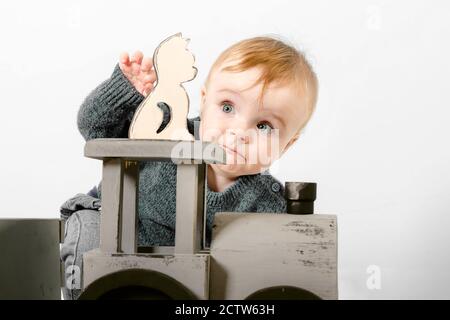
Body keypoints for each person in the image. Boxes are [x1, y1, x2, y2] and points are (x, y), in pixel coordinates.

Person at [60, 35, 318, 300]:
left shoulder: (266, 204)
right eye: (227, 107)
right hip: (115, 227)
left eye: (263, 126)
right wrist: (127, 91)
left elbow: (286, 259)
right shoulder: (169, 130)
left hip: (178, 278)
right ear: (204, 100)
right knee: (89, 234)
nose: (239, 132)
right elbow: (95, 129)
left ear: (286, 145)